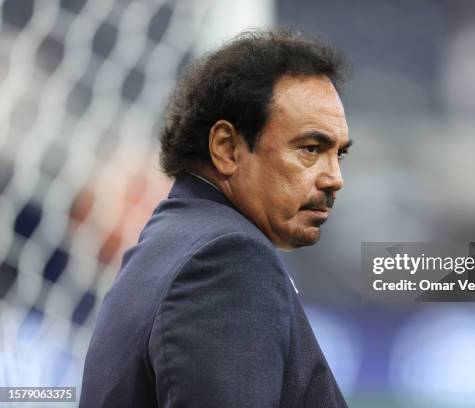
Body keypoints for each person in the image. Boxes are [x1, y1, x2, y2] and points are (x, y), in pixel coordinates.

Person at [80, 29, 352, 407]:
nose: (334, 178)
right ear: (226, 148)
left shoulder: (171, 242)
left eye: (339, 155)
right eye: (310, 148)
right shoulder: (228, 261)